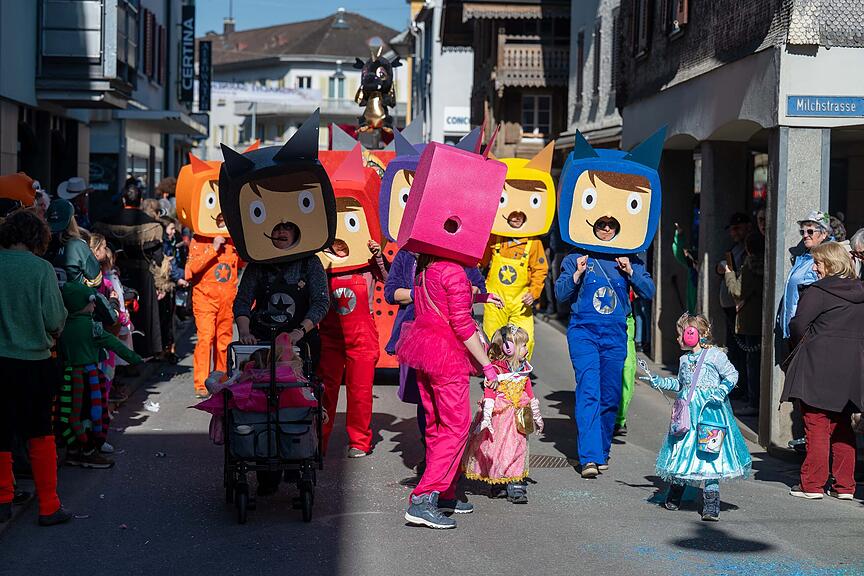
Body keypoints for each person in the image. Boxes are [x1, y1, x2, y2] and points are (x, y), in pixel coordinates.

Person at [554, 128, 664, 480]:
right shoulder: (575, 257)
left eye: (609, 224)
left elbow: (649, 292)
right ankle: (588, 456)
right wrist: (575, 275)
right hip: (584, 331)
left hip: (616, 334)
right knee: (588, 392)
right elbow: (560, 295)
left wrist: (631, 271)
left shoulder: (630, 258)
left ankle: (600, 450)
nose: (604, 228)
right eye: (600, 223)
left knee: (610, 396)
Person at [384, 249, 489, 471]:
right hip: (417, 339)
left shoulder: (461, 256)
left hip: (453, 343)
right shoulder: (407, 255)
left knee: (449, 408)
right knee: (427, 404)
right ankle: (433, 459)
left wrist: (470, 291)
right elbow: (391, 293)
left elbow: (479, 287)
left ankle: (444, 464)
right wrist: (424, 291)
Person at [644, 313, 752, 521]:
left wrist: (720, 392)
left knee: (709, 453)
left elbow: (732, 375)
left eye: (681, 334)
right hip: (687, 416)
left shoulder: (715, 356)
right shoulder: (684, 359)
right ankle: (676, 490)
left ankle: (711, 501)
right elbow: (681, 384)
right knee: (683, 450)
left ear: (695, 334)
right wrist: (659, 382)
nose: (678, 338)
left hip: (709, 413)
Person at [0, 210, 71, 526]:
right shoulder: (41, 269)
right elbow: (55, 319)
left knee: (1, 433)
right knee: (40, 433)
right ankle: (49, 505)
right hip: (34, 363)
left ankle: (2, 500)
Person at [781, 242, 864, 500]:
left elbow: (798, 325)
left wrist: (807, 342)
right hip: (850, 367)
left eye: (818, 263)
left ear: (830, 264)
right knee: (842, 425)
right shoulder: (861, 290)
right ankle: (845, 486)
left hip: (817, 363)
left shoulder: (818, 291)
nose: (815, 269)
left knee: (816, 423)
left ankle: (812, 484)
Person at [480, 144, 555, 360]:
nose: (515, 217)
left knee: (525, 340)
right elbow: (479, 263)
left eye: (520, 215)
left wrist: (534, 292)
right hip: (496, 300)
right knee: (493, 338)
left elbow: (540, 271)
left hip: (521, 302)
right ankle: (495, 372)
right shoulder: (494, 238)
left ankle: (519, 373)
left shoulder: (533, 242)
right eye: (512, 214)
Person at [55, 282, 141, 468]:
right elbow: (114, 344)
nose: (94, 305)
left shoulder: (63, 326)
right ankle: (89, 450)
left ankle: (73, 450)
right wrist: (135, 359)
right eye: (91, 302)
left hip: (69, 377)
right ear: (82, 304)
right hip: (89, 377)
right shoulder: (91, 327)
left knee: (72, 413)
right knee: (92, 413)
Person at [463, 325, 543, 504]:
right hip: (499, 419)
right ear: (508, 348)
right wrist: (486, 418)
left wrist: (537, 415)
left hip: (518, 419)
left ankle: (516, 485)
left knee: (517, 449)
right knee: (497, 451)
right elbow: (489, 394)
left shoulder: (523, 368)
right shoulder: (496, 371)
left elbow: (529, 392)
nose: (526, 348)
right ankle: (498, 482)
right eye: (523, 345)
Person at [93, 179, 164, 357]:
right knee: (143, 316)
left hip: (116, 274)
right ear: (140, 201)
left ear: (124, 200)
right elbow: (158, 257)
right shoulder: (152, 225)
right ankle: (144, 351)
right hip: (142, 276)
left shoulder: (107, 222)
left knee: (119, 313)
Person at [722, 232, 765, 417]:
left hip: (750, 320)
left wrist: (729, 274)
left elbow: (737, 291)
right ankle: (755, 398)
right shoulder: (766, 264)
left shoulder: (750, 266)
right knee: (756, 362)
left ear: (748, 249)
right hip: (761, 319)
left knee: (751, 363)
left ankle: (753, 401)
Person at [779, 210, 831, 340]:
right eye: (803, 232)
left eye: (810, 231)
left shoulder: (827, 259)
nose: (805, 235)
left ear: (824, 234)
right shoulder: (804, 257)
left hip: (808, 330)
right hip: (795, 328)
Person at [715, 212, 751, 397]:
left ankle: (741, 388)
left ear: (747, 227)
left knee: (740, 352)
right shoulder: (735, 248)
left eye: (737, 228)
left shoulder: (748, 249)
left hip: (739, 307)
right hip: (729, 306)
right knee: (733, 349)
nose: (734, 233)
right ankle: (736, 385)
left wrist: (728, 271)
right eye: (731, 229)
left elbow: (742, 284)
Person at [46, 199, 102, 287]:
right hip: (74, 295)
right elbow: (96, 279)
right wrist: (84, 282)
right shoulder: (78, 245)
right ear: (72, 220)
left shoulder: (41, 245)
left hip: (49, 295)